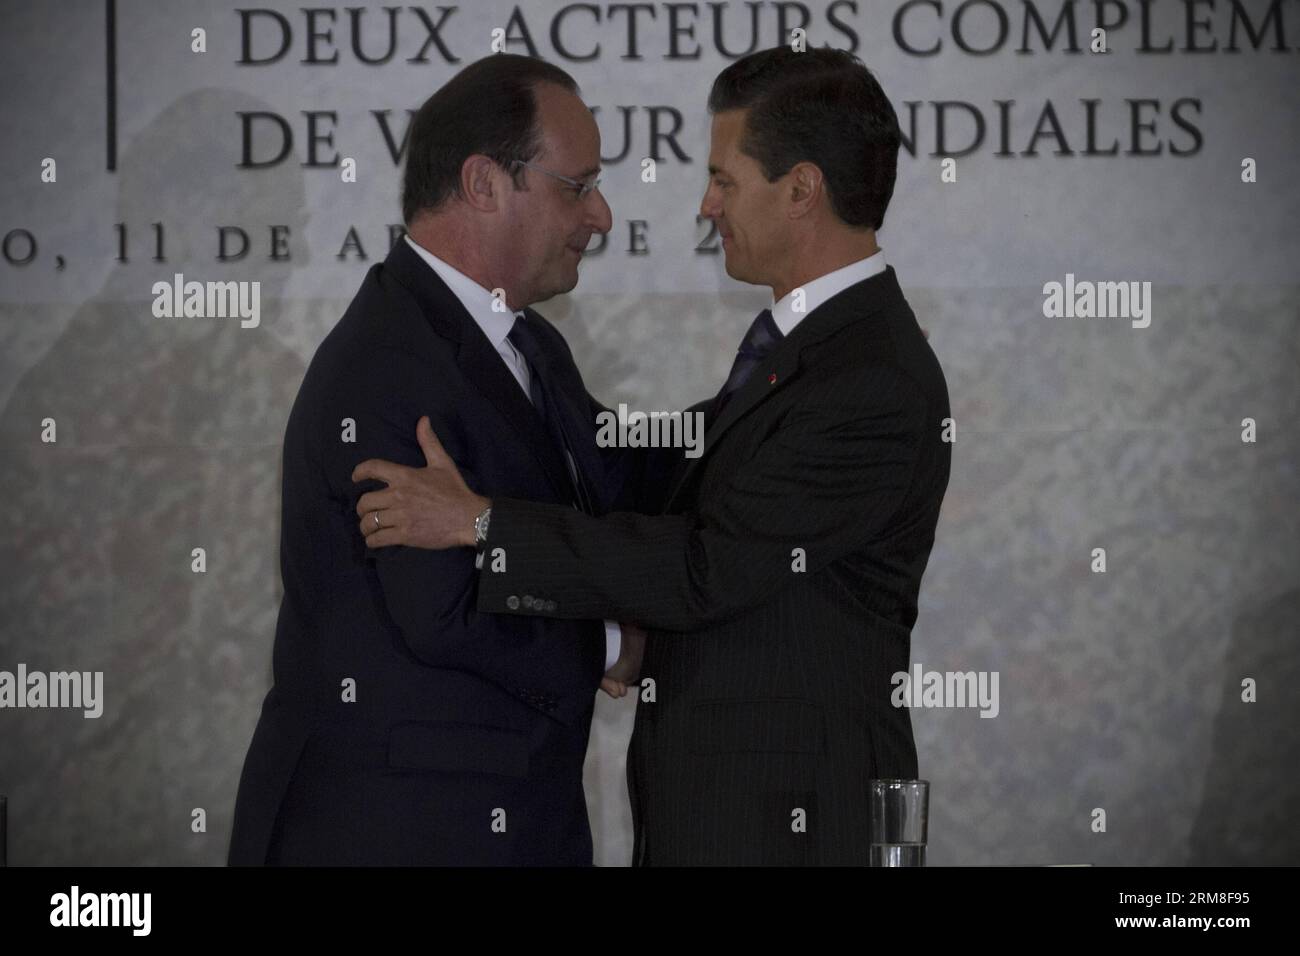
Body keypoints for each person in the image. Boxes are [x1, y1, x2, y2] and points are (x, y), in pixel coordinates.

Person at [352, 47, 953, 865]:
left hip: (793, 828)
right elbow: (677, 466)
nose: (707, 206)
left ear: (802, 189)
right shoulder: (827, 350)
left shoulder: (869, 376)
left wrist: (483, 525)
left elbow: (707, 567)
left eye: (725, 179)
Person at [229, 54, 635, 865]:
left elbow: (620, 492)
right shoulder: (387, 362)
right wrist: (622, 638)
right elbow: (446, 611)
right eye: (576, 186)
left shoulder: (532, 346)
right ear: (485, 183)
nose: (602, 214)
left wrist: (774, 411)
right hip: (397, 834)